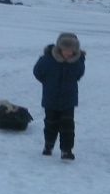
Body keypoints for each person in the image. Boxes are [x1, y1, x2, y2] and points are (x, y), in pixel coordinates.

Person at [33, 32, 85, 161]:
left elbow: (79, 74)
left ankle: (66, 150)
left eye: (71, 50)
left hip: (69, 100)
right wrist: (47, 83)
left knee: (67, 126)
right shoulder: (48, 59)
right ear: (59, 48)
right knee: (50, 124)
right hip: (51, 98)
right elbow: (38, 72)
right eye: (65, 49)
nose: (68, 52)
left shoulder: (77, 62)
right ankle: (48, 146)